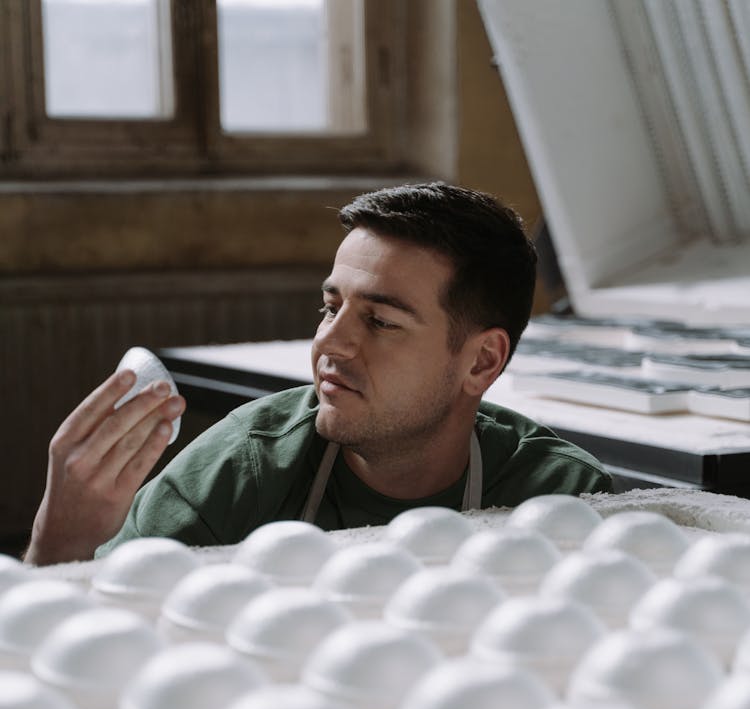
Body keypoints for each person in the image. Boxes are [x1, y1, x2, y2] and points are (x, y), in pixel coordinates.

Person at [25, 182, 611, 566]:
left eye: (380, 321)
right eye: (331, 307)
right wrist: (65, 537)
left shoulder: (560, 498)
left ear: (481, 362)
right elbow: (74, 641)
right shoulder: (244, 468)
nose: (329, 342)